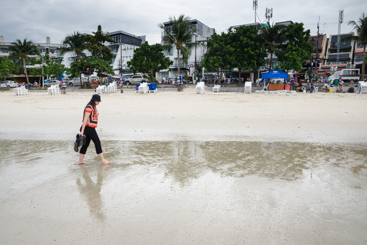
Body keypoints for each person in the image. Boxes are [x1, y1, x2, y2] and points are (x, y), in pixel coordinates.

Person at [78, 94, 110, 165]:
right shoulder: (89, 107)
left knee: (85, 144)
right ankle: (102, 160)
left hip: (90, 127)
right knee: (97, 142)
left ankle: (80, 160)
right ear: (94, 100)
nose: (98, 102)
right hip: (88, 128)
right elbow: (85, 119)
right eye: (97, 101)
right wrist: (82, 131)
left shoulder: (93, 107)